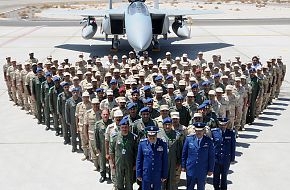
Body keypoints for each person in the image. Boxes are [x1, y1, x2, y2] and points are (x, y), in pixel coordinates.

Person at [182, 122, 215, 190]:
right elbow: (184, 154)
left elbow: (211, 156)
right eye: (197, 130)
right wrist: (183, 166)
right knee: (189, 187)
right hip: (191, 169)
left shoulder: (208, 141)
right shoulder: (189, 139)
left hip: (202, 170)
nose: (199, 132)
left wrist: (210, 169)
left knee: (201, 188)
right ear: (194, 130)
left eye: (201, 130)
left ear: (204, 131)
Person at [110, 117, 138, 190]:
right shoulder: (115, 137)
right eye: (122, 127)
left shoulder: (133, 137)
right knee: (119, 182)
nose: (124, 129)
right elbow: (111, 151)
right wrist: (112, 163)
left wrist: (135, 164)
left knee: (129, 182)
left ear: (128, 127)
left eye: (126, 127)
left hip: (129, 164)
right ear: (120, 127)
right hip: (118, 163)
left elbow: (136, 152)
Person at [136, 126, 168, 190]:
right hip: (146, 174)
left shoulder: (162, 144)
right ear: (147, 135)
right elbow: (139, 160)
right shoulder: (142, 144)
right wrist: (138, 174)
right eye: (150, 136)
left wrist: (164, 175)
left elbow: (165, 160)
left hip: (157, 174)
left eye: (154, 136)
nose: (152, 138)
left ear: (156, 135)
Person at [211, 118, 236, 190]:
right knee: (216, 176)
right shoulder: (214, 132)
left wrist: (232, 158)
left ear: (227, 125)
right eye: (221, 125)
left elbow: (233, 147)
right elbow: (211, 146)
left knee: (224, 176)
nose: (223, 127)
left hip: (226, 159)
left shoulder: (231, 133)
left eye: (224, 125)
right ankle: (216, 188)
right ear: (219, 125)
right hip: (216, 159)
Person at [160, 117, 183, 190]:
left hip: (173, 162)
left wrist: (178, 163)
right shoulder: (158, 135)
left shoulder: (177, 135)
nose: (167, 126)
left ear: (172, 125)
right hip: (161, 162)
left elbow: (180, 150)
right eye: (165, 124)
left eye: (169, 124)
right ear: (163, 125)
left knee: (172, 182)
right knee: (161, 182)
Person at [95, 109, 113, 183]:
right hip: (102, 146)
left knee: (110, 161)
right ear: (101, 115)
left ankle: (110, 175)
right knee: (102, 161)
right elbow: (96, 136)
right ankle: (103, 175)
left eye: (107, 114)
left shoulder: (112, 123)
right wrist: (97, 147)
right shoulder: (98, 124)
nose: (105, 116)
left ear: (109, 115)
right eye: (104, 114)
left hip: (110, 146)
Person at [65, 87, 82, 152]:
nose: (75, 93)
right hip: (72, 121)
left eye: (76, 92)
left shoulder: (80, 100)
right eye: (74, 92)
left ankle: (81, 146)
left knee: (80, 134)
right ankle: (74, 147)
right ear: (72, 93)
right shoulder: (68, 101)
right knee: (73, 134)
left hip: (79, 120)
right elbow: (67, 111)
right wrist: (67, 120)